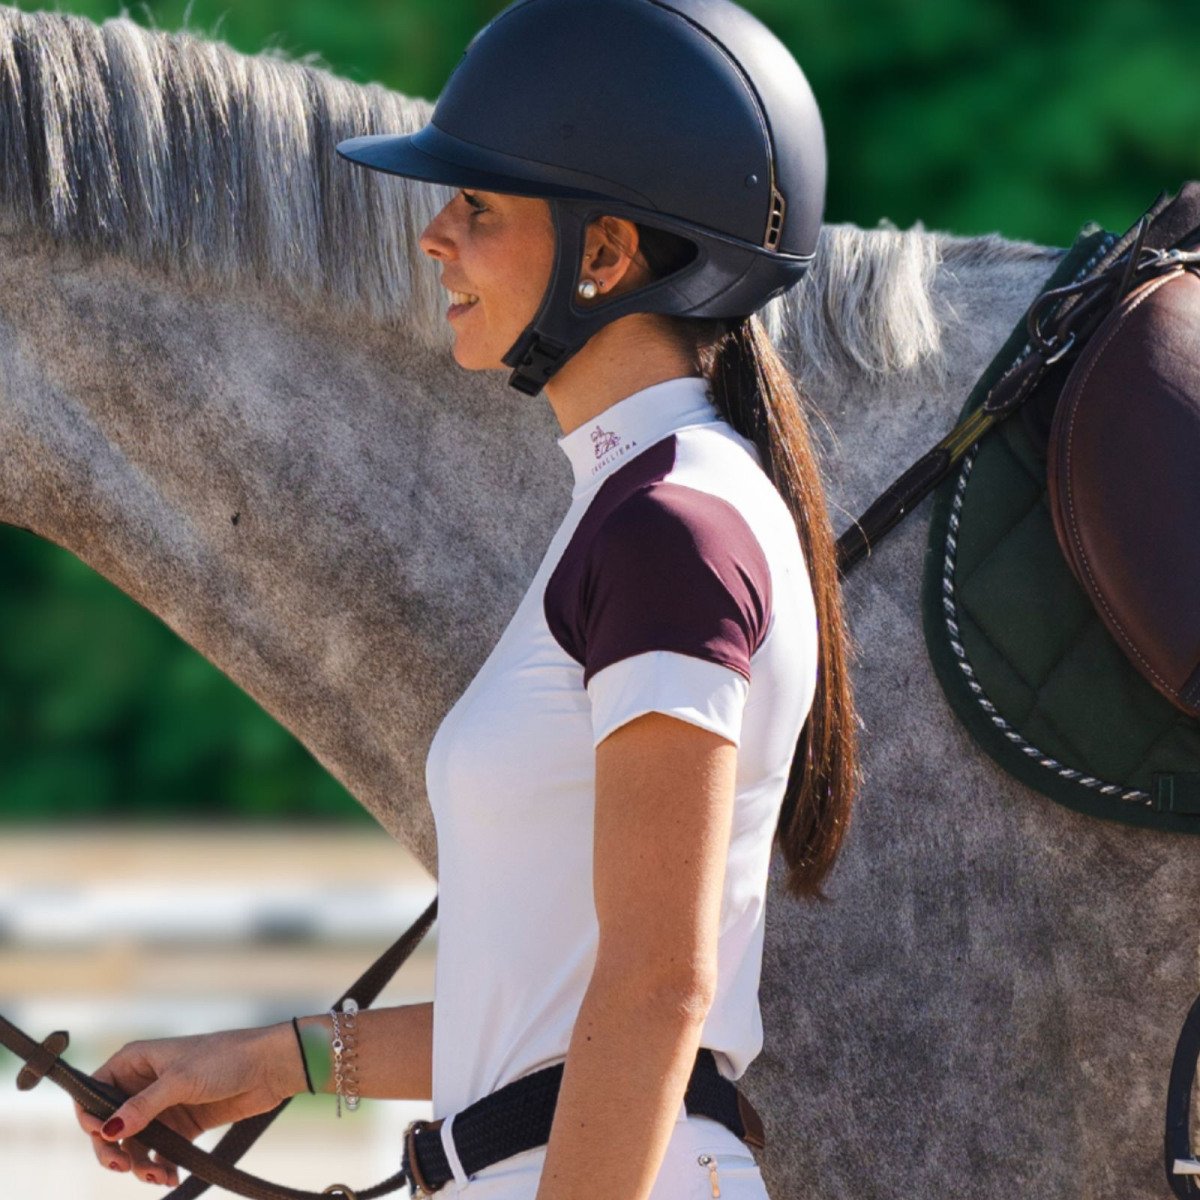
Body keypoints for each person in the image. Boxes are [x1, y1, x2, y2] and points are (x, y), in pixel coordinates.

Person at [73, 1, 862, 1196]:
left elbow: (657, 988)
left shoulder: (670, 531)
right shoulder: (640, 510)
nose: (436, 238)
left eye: (480, 207)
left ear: (605, 255)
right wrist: (273, 1059)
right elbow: (540, 1016)